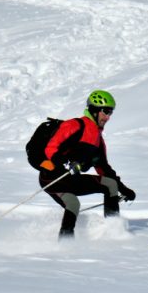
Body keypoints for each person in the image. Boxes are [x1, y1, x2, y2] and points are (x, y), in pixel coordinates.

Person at [38, 89, 136, 239]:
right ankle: (65, 244)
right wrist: (67, 162)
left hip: (71, 179)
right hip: (52, 177)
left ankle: (114, 233)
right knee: (73, 204)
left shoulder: (98, 140)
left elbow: (104, 169)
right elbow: (51, 148)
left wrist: (124, 189)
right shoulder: (75, 125)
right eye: (106, 111)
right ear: (95, 110)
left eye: (111, 112)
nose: (108, 117)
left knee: (110, 184)